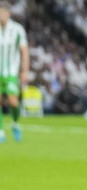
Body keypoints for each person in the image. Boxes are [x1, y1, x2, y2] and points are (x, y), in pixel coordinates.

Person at [0, 2, 28, 143]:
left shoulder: (17, 29)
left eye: (2, 13)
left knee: (13, 102)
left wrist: (24, 71)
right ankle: (0, 131)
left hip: (11, 72)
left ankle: (15, 123)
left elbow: (24, 51)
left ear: (8, 14)